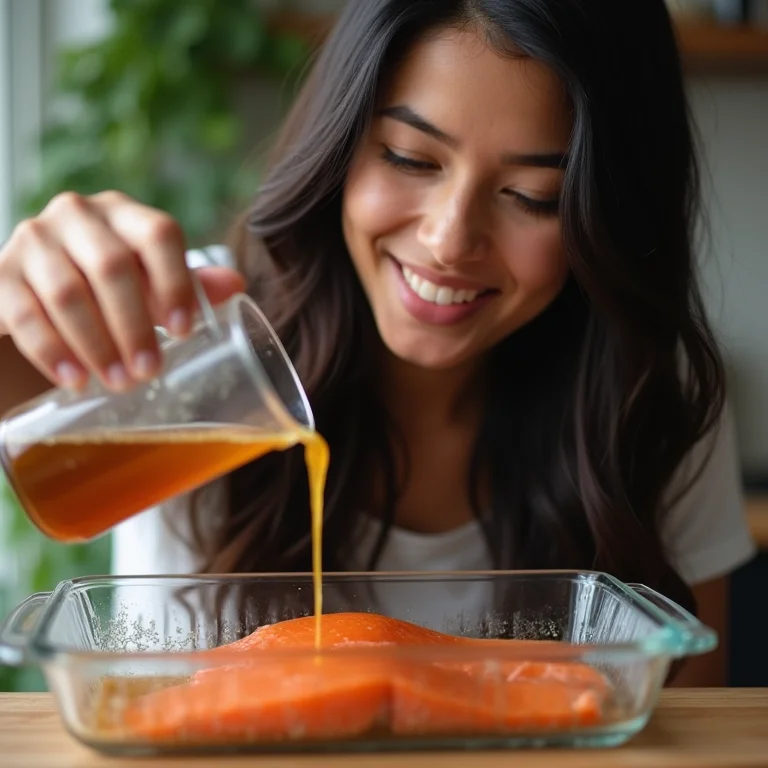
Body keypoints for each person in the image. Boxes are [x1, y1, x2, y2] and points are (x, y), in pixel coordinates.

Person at [0, 0, 756, 686]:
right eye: (409, 157)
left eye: (534, 198)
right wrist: (25, 301)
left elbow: (693, 724)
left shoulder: (653, 395)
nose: (449, 241)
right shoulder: (187, 340)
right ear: (340, 145)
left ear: (607, 218)